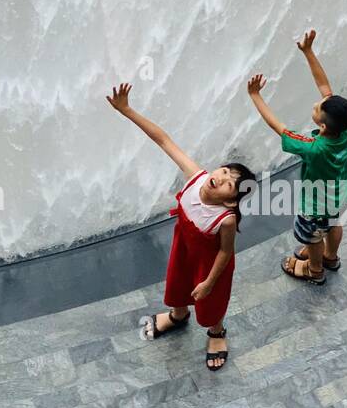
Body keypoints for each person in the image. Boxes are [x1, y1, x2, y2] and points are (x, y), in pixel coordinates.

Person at [107, 82, 255, 372]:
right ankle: (177, 315)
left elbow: (225, 252)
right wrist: (127, 110)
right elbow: (163, 140)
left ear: (231, 201)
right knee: (176, 283)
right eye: (224, 171)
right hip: (185, 248)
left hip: (212, 264)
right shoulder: (195, 177)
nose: (221, 178)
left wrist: (210, 281)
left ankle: (216, 332)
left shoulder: (225, 219)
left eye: (230, 185)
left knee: (211, 301)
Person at [247, 28, 347, 284]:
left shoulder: (312, 146)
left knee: (313, 237)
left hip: (316, 207)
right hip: (341, 195)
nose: (315, 104)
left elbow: (279, 128)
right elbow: (325, 87)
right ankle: (331, 256)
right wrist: (309, 52)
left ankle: (314, 269)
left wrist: (255, 96)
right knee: (335, 225)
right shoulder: (345, 131)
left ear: (323, 126)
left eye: (317, 108)